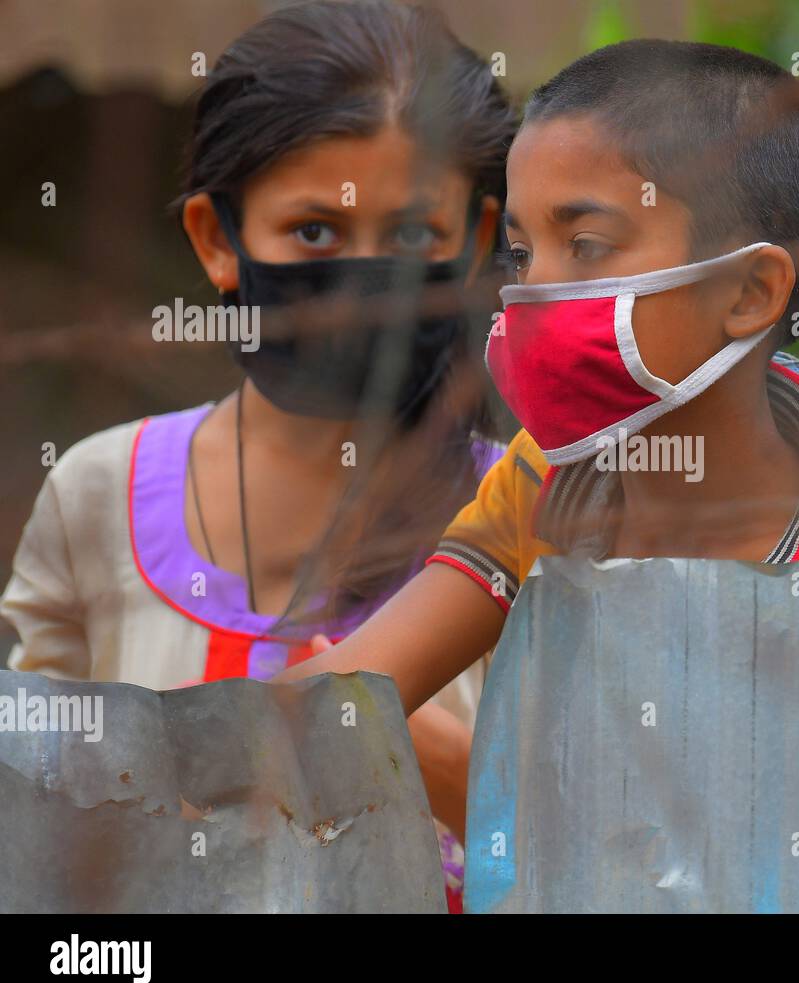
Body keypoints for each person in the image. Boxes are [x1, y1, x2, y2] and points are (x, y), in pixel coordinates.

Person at [279, 40, 799, 728]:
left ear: (750, 293)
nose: (531, 292)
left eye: (586, 247)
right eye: (520, 251)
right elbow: (343, 697)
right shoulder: (539, 484)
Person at [0, 0, 517, 911]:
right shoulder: (98, 494)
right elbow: (36, 838)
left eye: (409, 237)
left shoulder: (528, 520)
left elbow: (617, 857)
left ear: (474, 242)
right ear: (216, 241)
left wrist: (435, 761)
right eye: (314, 232)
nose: (362, 281)